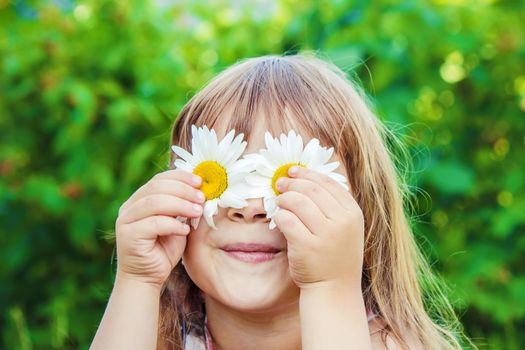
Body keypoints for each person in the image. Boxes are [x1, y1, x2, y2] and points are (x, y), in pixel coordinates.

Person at [90, 52, 472, 349]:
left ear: (364, 217)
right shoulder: (156, 339)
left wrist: (329, 288)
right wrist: (136, 281)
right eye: (222, 176)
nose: (249, 206)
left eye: (286, 179)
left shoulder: (386, 344)